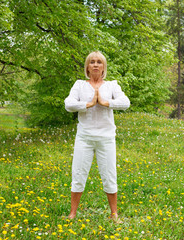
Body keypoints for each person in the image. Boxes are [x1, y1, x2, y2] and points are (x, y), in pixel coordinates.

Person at [64, 51, 130, 221]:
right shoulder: (79, 85)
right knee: (78, 174)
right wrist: (88, 104)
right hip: (84, 138)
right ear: (87, 66)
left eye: (99, 62)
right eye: (92, 62)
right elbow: (68, 104)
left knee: (109, 175)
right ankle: (72, 213)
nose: (95, 64)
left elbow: (125, 102)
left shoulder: (112, 86)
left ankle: (114, 213)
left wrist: (107, 103)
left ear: (103, 67)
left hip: (106, 138)